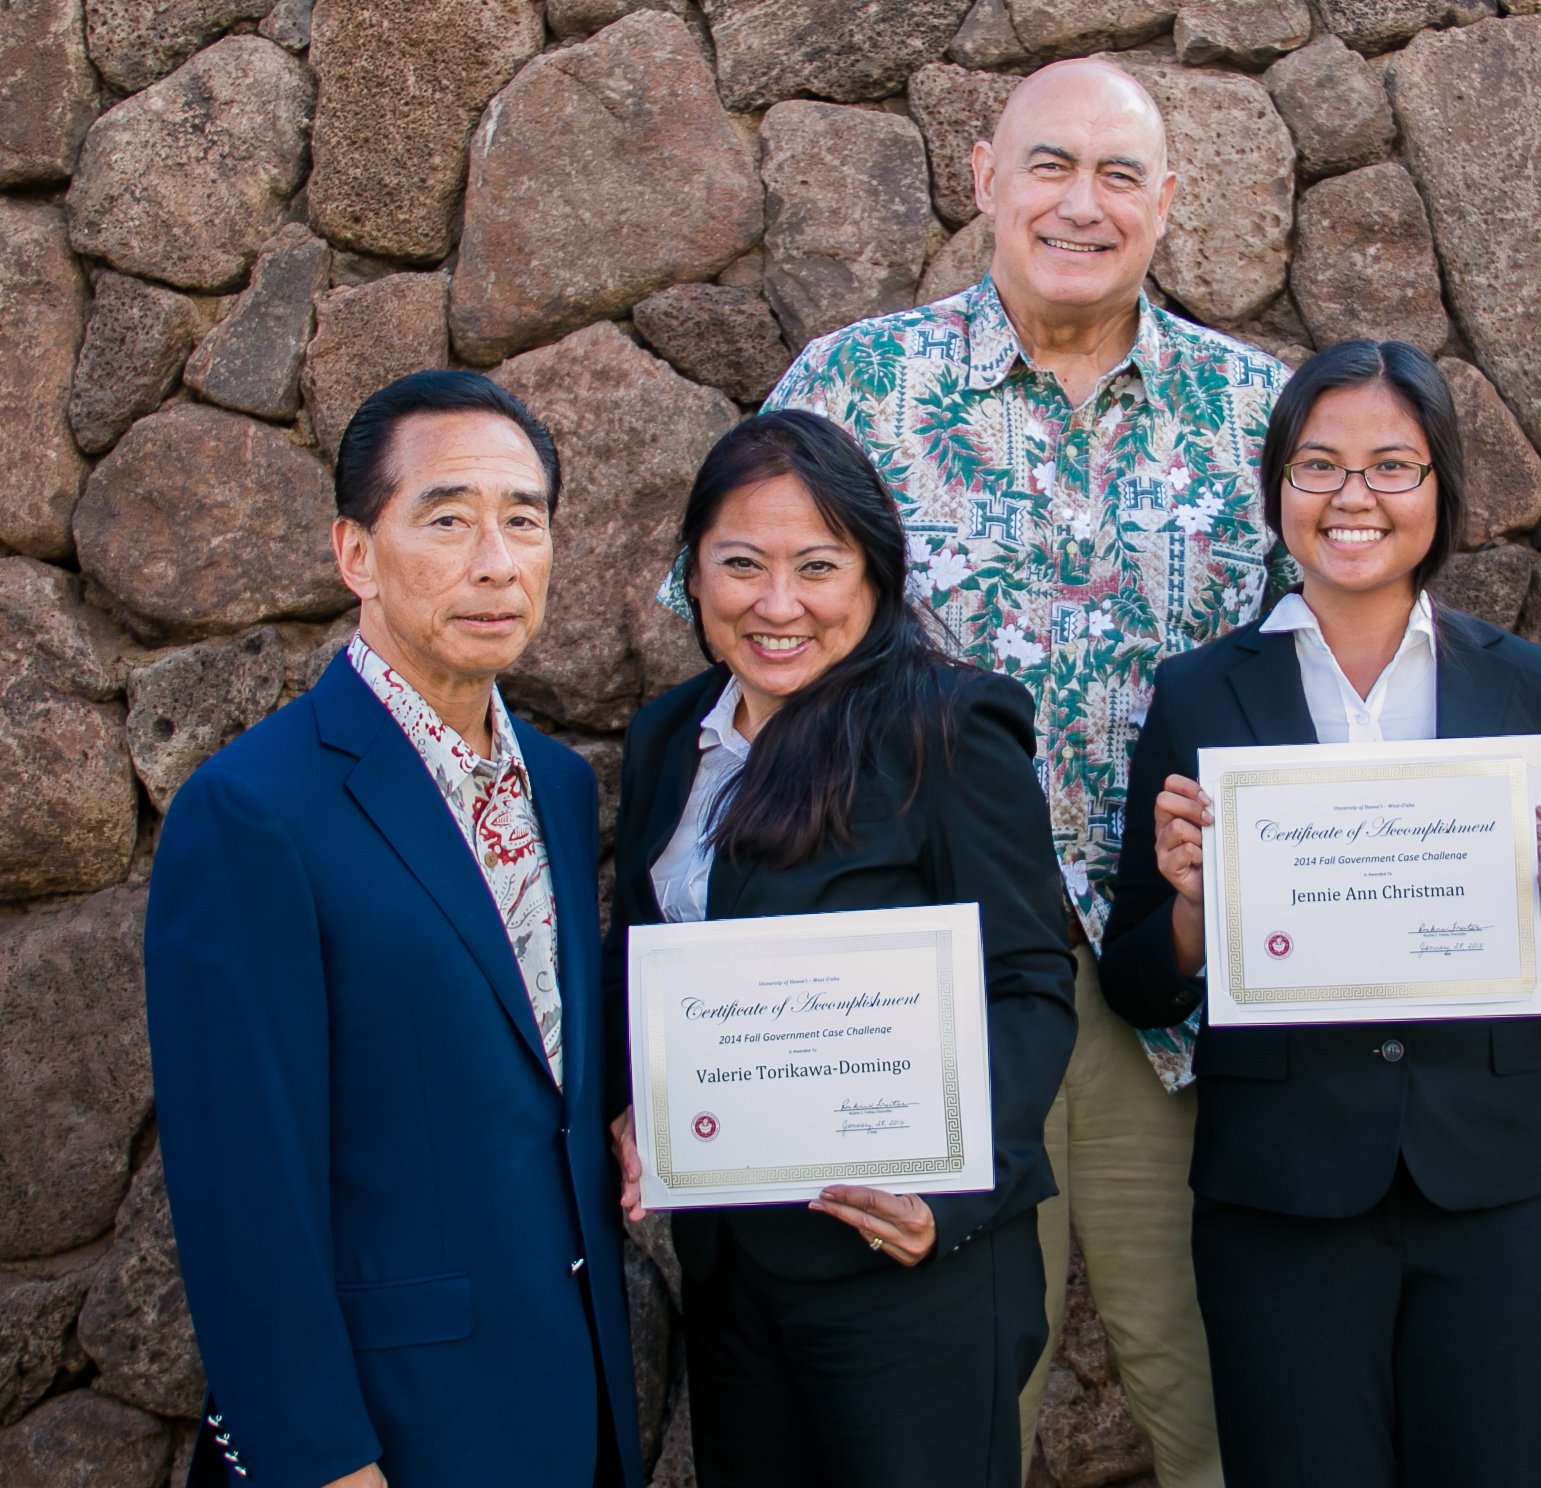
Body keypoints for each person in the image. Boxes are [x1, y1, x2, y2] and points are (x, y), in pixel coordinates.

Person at [704, 56, 1293, 1482]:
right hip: (928, 986)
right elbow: (747, 650)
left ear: (1168, 200)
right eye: (1048, 164)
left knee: (1204, 1375)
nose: (1079, 203)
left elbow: (1310, 681)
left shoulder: (1259, 413)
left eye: (1118, 174)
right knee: (959, 1387)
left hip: (1180, 972)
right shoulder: (853, 390)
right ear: (981, 176)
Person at [1097, 342, 1541, 1488]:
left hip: (1498, 1190)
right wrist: (1190, 911)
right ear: (1279, 486)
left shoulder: (1526, 682)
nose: (1354, 498)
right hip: (1282, 1198)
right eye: (1319, 465)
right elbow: (1137, 978)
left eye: (1393, 466)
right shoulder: (1199, 692)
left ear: (1440, 491)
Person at [144, 371, 639, 1488]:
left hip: (574, 1393)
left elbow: (522, 1058)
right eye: (448, 517)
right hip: (393, 1430)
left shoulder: (556, 786)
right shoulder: (253, 810)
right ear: (356, 553)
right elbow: (241, 1181)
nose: (496, 561)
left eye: (524, 520)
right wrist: (318, 1457)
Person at [607, 412, 1077, 1488]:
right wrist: (644, 1102)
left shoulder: (946, 728)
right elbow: (648, 961)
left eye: (818, 566)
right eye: (740, 565)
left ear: (873, 572)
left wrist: (947, 1200)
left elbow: (1029, 986)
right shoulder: (665, 741)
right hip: (727, 1270)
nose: (778, 606)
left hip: (905, 1273)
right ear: (692, 572)